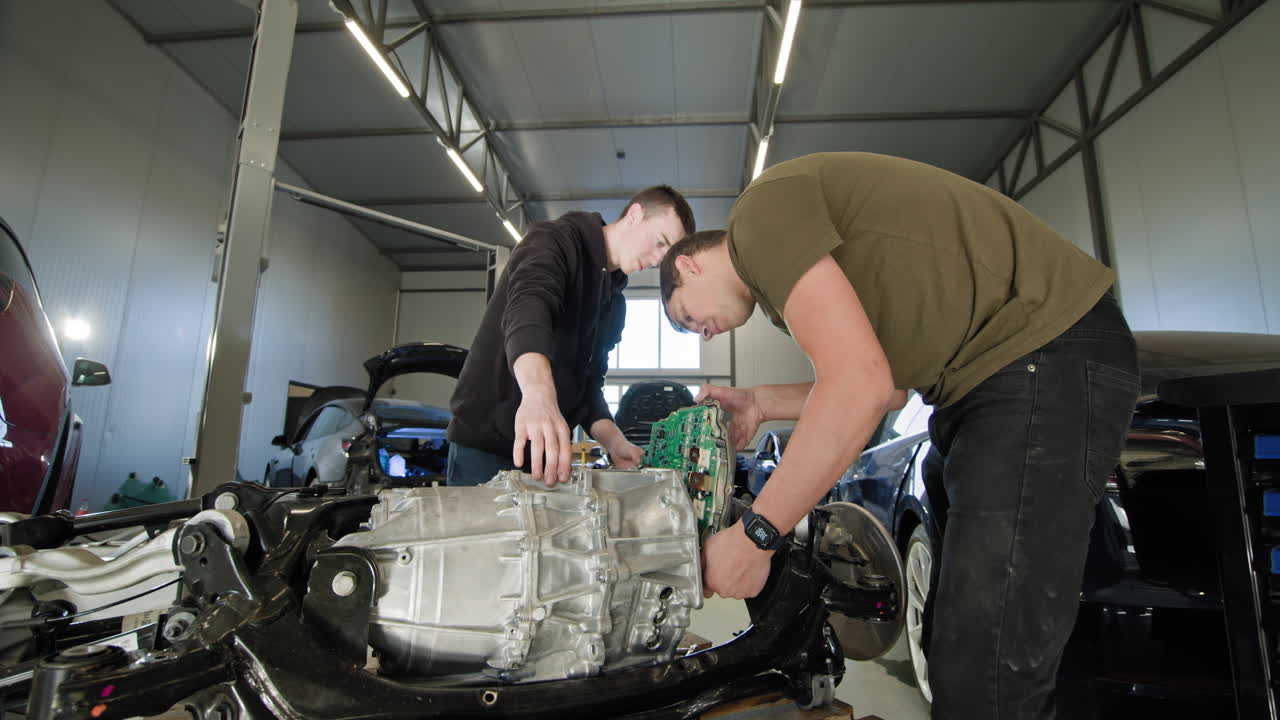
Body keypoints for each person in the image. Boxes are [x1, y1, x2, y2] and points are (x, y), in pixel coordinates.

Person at [658, 152, 1138, 719]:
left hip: (1038, 355)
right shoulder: (784, 283)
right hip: (985, 387)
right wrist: (762, 403)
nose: (704, 333)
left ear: (687, 265)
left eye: (688, 319)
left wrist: (755, 536)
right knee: (966, 645)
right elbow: (885, 388)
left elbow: (859, 385)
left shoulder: (758, 218)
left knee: (985, 672)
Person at [447, 186, 696, 487]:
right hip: (484, 449)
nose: (658, 260)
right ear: (634, 215)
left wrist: (615, 442)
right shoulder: (554, 241)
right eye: (660, 243)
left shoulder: (614, 303)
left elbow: (589, 386)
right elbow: (529, 309)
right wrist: (538, 395)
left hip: (544, 457)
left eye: (666, 254)